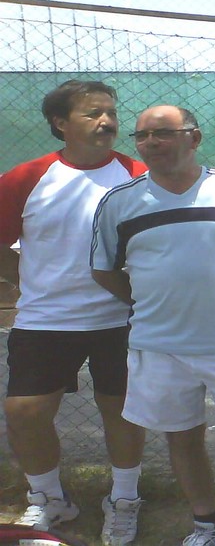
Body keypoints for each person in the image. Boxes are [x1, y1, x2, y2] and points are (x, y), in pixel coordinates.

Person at [89, 105, 215, 546]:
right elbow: (104, 270)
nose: (150, 143)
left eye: (163, 133)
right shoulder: (119, 203)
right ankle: (207, 525)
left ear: (194, 138)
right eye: (142, 136)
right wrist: (149, 305)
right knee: (182, 439)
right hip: (158, 347)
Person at [0, 80, 147, 545]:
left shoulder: (139, 174)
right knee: (25, 412)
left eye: (111, 113)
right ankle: (49, 500)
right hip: (45, 320)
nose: (106, 121)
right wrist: (26, 278)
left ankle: (124, 500)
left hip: (121, 319)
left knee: (122, 410)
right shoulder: (26, 178)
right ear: (60, 123)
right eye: (92, 113)